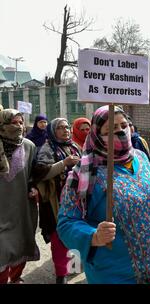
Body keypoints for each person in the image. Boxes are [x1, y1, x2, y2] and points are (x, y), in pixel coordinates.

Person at [57, 106, 150, 284]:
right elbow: (66, 223)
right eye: (111, 129)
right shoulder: (85, 173)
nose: (121, 132)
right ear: (97, 135)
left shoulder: (141, 157)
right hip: (115, 273)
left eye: (124, 125)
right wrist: (94, 236)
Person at [32, 118, 81, 284]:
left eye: (67, 127)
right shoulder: (46, 149)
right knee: (59, 237)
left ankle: (74, 266)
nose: (65, 130)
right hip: (56, 202)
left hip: (77, 200)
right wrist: (64, 163)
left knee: (76, 233)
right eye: (60, 128)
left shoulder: (74, 147)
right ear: (53, 131)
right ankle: (61, 273)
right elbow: (40, 174)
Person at [0, 109, 40, 284]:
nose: (18, 126)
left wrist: (34, 187)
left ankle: (16, 278)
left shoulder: (29, 146)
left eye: (20, 122)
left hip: (20, 207)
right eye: (13, 123)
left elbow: (34, 174)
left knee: (21, 244)